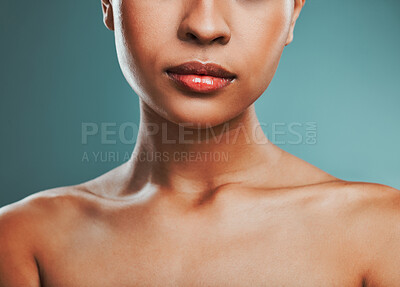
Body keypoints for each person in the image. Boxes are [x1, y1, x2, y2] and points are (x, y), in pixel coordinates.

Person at [1, 0, 399, 286]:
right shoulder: (21, 242)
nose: (205, 26)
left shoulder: (383, 235)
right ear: (108, 3)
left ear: (293, 13)